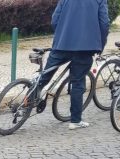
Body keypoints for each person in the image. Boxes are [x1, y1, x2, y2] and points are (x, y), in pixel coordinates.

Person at [38, 0, 110, 130]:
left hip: (62, 44)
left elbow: (55, 20)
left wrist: (62, 34)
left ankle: (26, 101)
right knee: (77, 82)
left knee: (45, 75)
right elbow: (104, 24)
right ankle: (75, 120)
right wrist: (101, 44)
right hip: (85, 47)